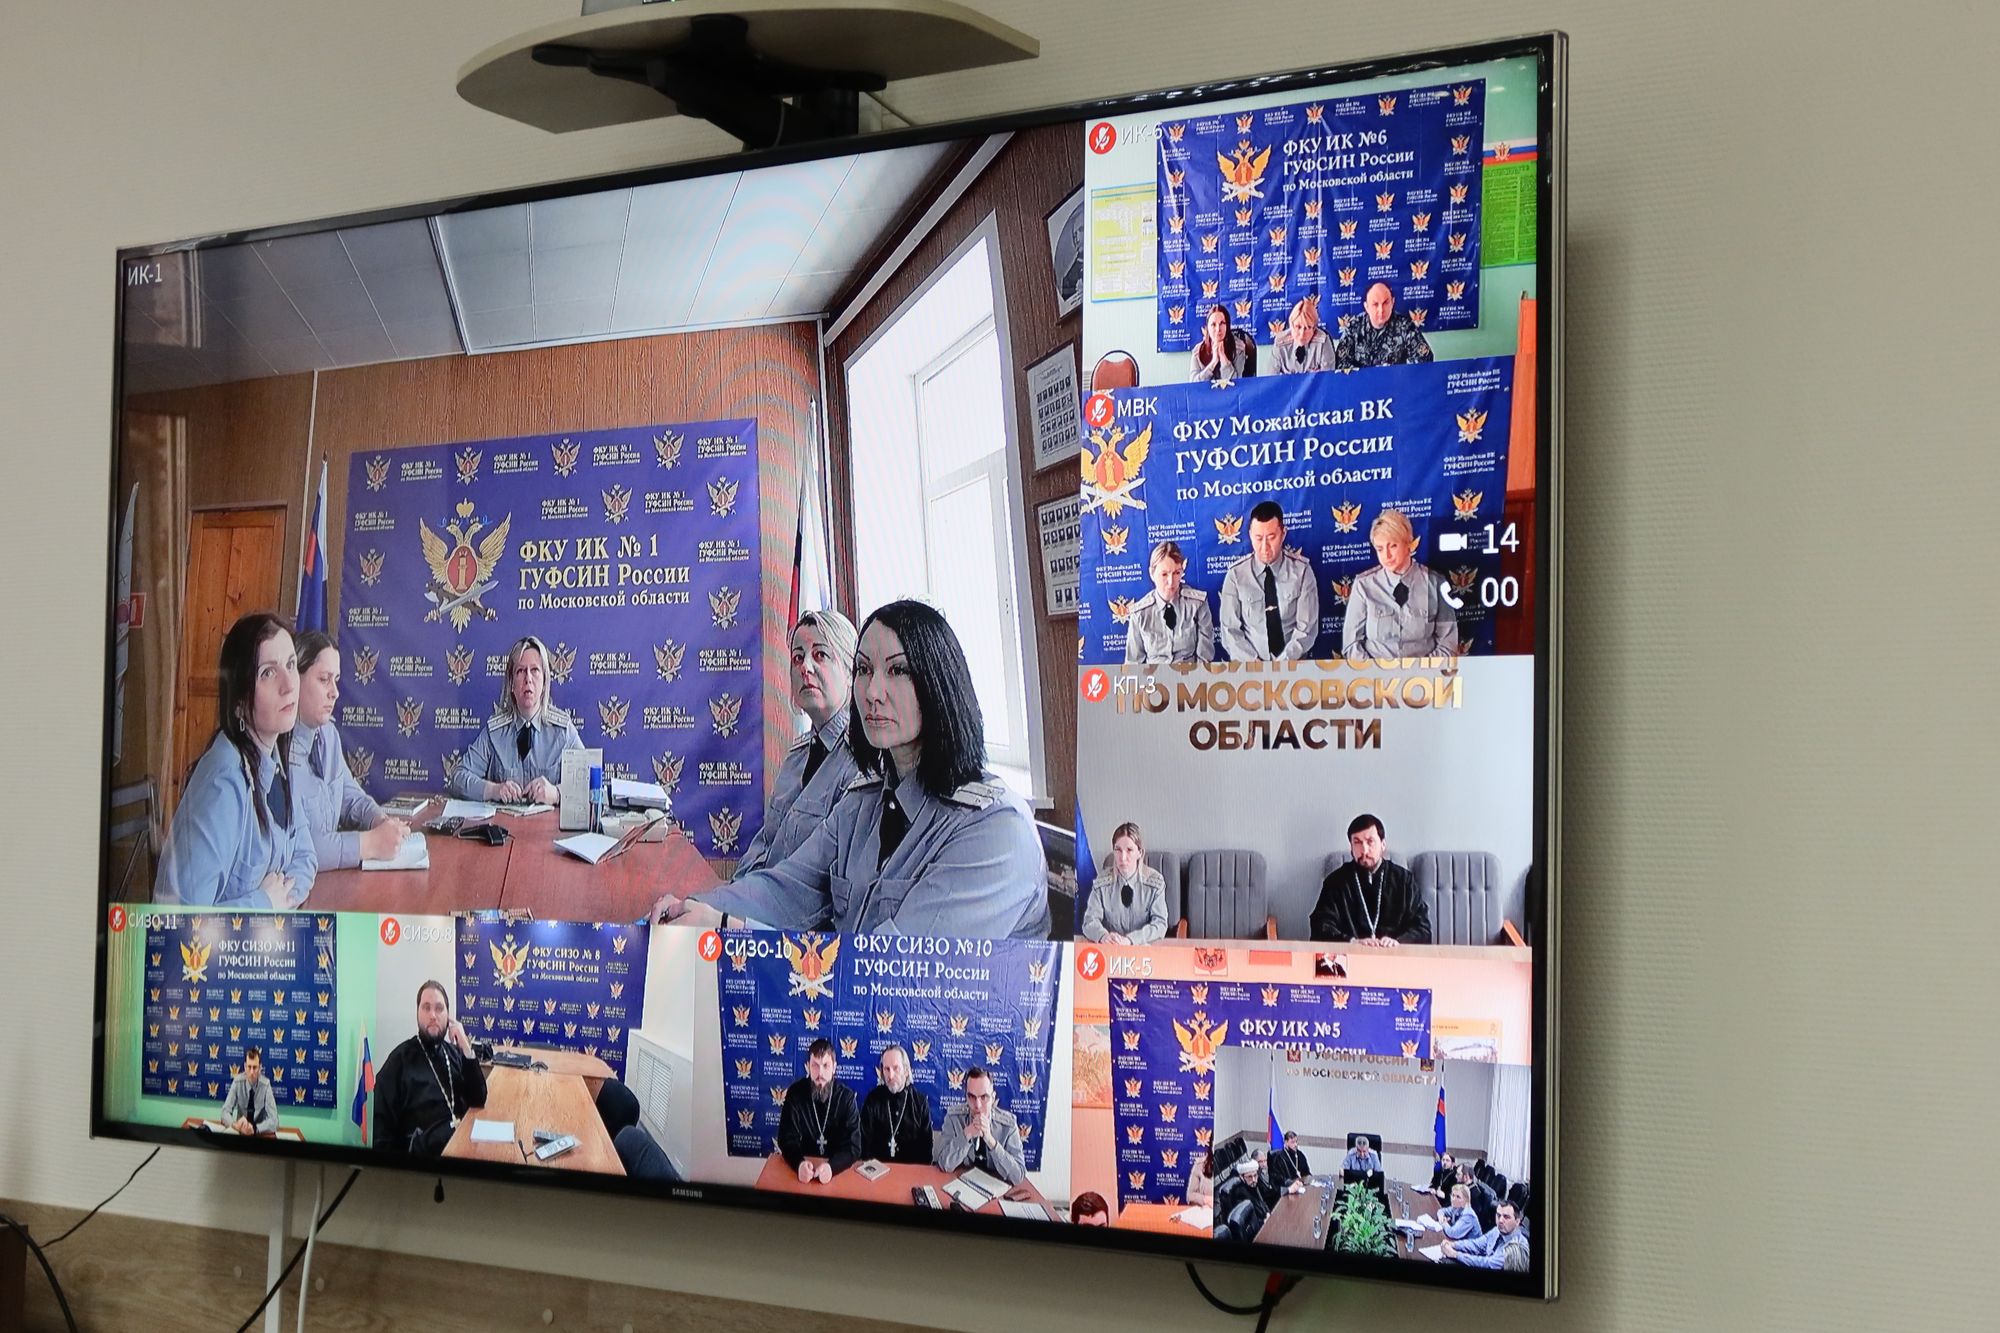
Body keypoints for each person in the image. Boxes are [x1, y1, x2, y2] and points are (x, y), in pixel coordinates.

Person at [659, 601, 1050, 939]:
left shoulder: (996, 829)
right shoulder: (863, 803)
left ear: (939, 682)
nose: (873, 692)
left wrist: (730, 928)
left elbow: (892, 970)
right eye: (864, 669)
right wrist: (692, 909)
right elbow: (788, 887)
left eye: (898, 670)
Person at [156, 612, 316, 907]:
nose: (289, 685)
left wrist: (282, 900)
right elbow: (180, 917)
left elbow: (306, 856)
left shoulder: (275, 759)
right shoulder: (223, 784)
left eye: (291, 665)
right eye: (268, 673)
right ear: (240, 701)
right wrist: (264, 905)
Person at [734, 610, 861, 878]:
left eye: (820, 655)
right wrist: (736, 892)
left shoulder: (862, 760)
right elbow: (765, 844)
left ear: (851, 669)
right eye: (797, 658)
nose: (805, 667)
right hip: (760, 895)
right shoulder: (797, 755)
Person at [287, 631, 410, 869]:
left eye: (336, 680)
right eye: (324, 679)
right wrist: (370, 844)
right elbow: (294, 847)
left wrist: (379, 820)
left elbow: (349, 796)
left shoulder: (328, 735)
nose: (335, 692)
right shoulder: (276, 749)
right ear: (294, 681)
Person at [448, 635, 582, 803]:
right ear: (511, 683)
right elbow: (458, 779)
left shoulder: (564, 731)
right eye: (520, 671)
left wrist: (556, 794)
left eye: (535, 670)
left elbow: (590, 785)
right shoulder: (494, 732)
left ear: (544, 681)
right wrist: (494, 790)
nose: (528, 679)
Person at [373, 981, 487, 1155]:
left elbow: (478, 1099)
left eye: (439, 1008)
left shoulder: (454, 1054)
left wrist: (465, 1045)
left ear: (448, 1016)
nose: (433, 1015)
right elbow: (380, 1133)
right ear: (417, 1014)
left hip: (462, 1149)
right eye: (426, 1008)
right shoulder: (398, 1061)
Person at [1341, 509, 1459, 658]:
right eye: (1380, 549)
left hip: (1425, 671)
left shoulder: (1436, 584)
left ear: (1408, 543)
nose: (1386, 555)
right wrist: (1374, 670)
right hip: (1374, 671)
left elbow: (1448, 644)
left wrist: (1420, 670)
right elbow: (1351, 645)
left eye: (1393, 546)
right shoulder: (1363, 586)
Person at [1309, 814, 1433, 945]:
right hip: (1351, 954)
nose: (1364, 850)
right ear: (1351, 847)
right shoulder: (1336, 882)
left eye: (1370, 841)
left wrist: (1398, 942)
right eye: (1357, 842)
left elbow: (1422, 928)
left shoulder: (1404, 880)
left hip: (1395, 954)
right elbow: (1320, 925)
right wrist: (1352, 942)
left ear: (1383, 844)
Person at [1219, 502, 1319, 661]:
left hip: (1294, 666)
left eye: (1271, 537)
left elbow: (1306, 629)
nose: (1264, 547)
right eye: (1258, 538)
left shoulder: (1302, 572)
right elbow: (1229, 631)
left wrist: (1282, 665)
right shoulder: (1235, 575)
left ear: (1283, 534)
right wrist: (1256, 666)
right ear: (1250, 535)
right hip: (1249, 667)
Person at [778, 1038, 861, 1183]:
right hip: (804, 1169)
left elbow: (853, 1146)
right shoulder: (795, 1094)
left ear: (834, 1068)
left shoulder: (846, 1098)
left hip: (837, 1172)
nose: (820, 1073)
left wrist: (832, 1167)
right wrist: (799, 1164)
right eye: (815, 1066)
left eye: (826, 1066)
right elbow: (786, 1139)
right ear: (807, 1067)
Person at [1122, 540, 1214, 665]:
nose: (1171, 582)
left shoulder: (1197, 605)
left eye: (1176, 573)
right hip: (1153, 675)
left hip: (1190, 674)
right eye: (1164, 574)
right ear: (1152, 574)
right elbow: (1133, 664)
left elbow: (1204, 660)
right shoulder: (1139, 614)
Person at [1080, 821, 1169, 945]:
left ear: (1140, 853)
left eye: (1129, 850)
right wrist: (1103, 936)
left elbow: (1160, 924)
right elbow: (1089, 922)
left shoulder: (1154, 883)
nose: (1122, 858)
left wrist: (1130, 940)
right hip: (1111, 948)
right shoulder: (1102, 884)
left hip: (1142, 949)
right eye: (1118, 850)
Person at [934, 1067, 1026, 1185]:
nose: (977, 1105)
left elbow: (1018, 1176)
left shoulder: (1008, 1125)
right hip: (961, 1183)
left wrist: (991, 1141)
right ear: (966, 1097)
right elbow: (943, 1164)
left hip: (995, 1186)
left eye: (984, 1097)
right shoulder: (953, 1118)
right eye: (972, 1097)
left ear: (993, 1098)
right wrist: (966, 1135)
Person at [858, 1043, 933, 1165]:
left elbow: (926, 1150)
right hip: (877, 1170)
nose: (891, 1076)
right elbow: (864, 1145)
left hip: (911, 1172)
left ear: (906, 1071)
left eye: (896, 1068)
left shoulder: (920, 1102)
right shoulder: (873, 1099)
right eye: (886, 1069)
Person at [1333, 283, 1434, 369]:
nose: (1381, 310)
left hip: (1395, 383)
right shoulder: (1353, 327)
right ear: (1366, 307)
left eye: (1385, 303)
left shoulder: (1405, 326)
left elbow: (1425, 358)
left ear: (1392, 302)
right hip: (1362, 383)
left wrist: (1403, 373)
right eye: (1375, 304)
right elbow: (1341, 363)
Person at [1444, 1200, 1529, 1270]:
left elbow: (1488, 1264)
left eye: (1506, 1217)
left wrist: (1455, 1254)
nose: (1500, 1220)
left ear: (1517, 1221)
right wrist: (1454, 1244)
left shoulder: (1517, 1247)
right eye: (1498, 1215)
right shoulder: (1497, 1230)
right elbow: (1476, 1245)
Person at [1214, 1155, 1276, 1241]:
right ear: (1241, 1177)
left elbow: (1263, 1201)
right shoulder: (1239, 1194)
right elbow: (1247, 1225)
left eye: (1255, 1175)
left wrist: (1267, 1213)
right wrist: (1263, 1222)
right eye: (1249, 1177)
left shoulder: (1254, 1185)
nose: (1254, 1180)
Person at [1188, 304, 1256, 382]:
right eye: (1213, 325)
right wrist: (1213, 363)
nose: (1218, 329)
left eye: (1222, 323)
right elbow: (1193, 383)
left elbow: (1236, 383)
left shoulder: (1238, 348)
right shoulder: (1198, 351)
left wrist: (1223, 358)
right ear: (1207, 328)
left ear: (1227, 326)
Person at [1270, 296, 1336, 373]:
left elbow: (1328, 377)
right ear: (1291, 326)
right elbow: (1271, 377)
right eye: (1298, 327)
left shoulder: (1323, 342)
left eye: (1308, 328)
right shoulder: (1280, 342)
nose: (1302, 334)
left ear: (1314, 328)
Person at [220, 1047, 277, 1136]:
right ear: (245, 1066)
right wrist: (235, 1125)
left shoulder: (266, 1085)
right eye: (249, 1067)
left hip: (258, 1133)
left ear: (260, 1067)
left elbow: (274, 1121)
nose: (251, 1072)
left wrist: (255, 1128)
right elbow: (225, 1112)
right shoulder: (237, 1082)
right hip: (240, 1132)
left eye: (255, 1067)